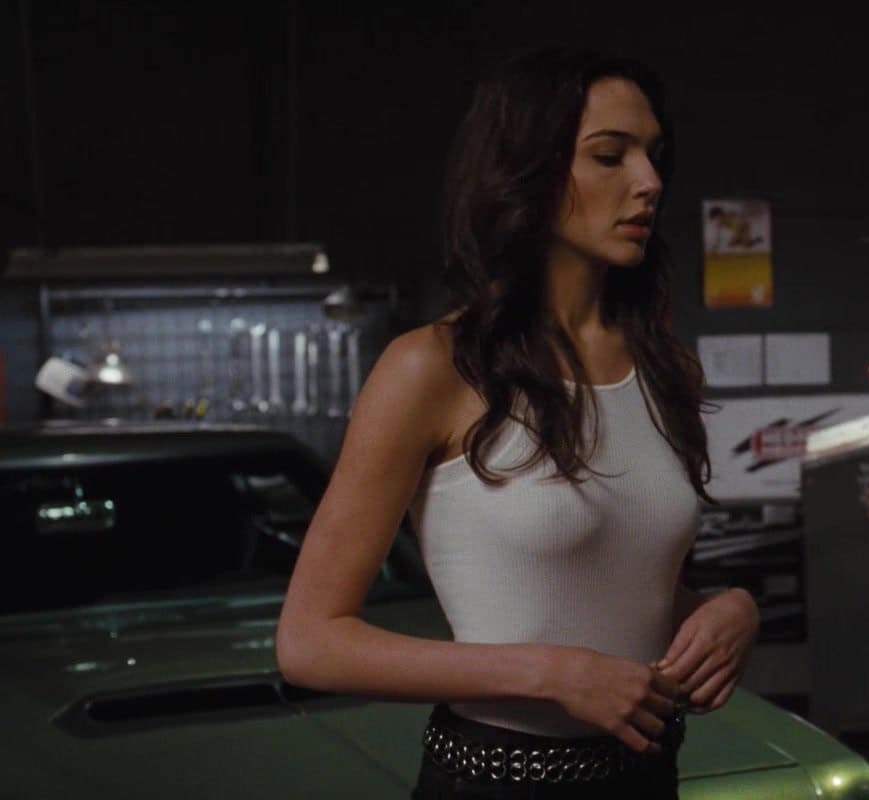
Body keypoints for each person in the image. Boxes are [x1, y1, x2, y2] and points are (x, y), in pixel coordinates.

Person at [276, 45, 760, 799]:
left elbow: (608, 583)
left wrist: (730, 611)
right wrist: (548, 673)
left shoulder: (666, 368)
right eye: (610, 156)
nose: (650, 182)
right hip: (495, 782)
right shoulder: (432, 367)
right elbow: (310, 644)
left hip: (646, 777)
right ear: (527, 169)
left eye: (653, 155)